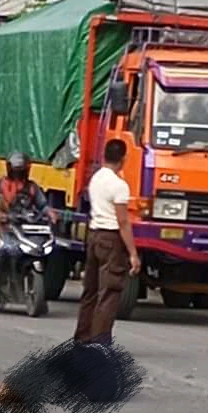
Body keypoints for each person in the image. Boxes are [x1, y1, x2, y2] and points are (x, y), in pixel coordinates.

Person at [74, 138, 141, 347]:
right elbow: (123, 221)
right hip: (111, 239)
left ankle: (82, 337)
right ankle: (100, 341)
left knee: (91, 290)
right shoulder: (119, 185)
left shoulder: (96, 178)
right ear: (123, 159)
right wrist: (133, 253)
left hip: (94, 235)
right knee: (109, 292)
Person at [0, 152, 56, 290]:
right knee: (1, 253)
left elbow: (43, 205)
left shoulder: (32, 187)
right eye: (16, 172)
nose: (18, 175)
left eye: (20, 172)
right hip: (6, 229)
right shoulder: (1, 184)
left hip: (26, 228)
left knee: (51, 250)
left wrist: (50, 213)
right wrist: (1, 216)